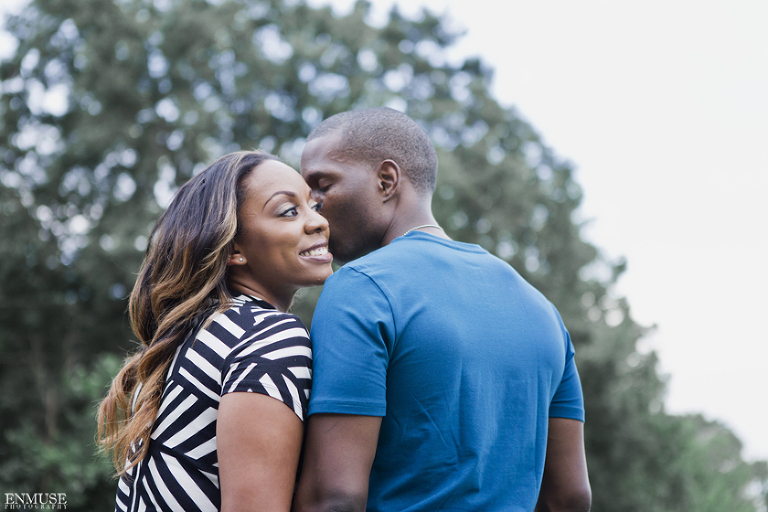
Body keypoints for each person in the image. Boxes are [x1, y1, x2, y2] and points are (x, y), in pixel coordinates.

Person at [292, 107, 591, 512]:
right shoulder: (543, 312)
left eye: (322, 185)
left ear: (386, 180)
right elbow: (571, 497)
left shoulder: (362, 288)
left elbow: (335, 498)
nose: (313, 209)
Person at [97, 150, 333, 512]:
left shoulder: (190, 337)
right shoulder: (267, 337)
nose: (318, 222)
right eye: (289, 211)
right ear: (234, 249)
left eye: (314, 206)